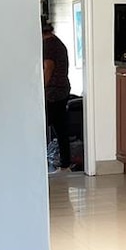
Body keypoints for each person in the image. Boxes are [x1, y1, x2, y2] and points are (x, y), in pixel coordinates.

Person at [41, 18, 72, 172]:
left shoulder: (48, 45)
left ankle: (40, 163)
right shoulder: (56, 42)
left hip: (53, 92)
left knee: (40, 127)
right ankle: (65, 163)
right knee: (61, 129)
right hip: (62, 90)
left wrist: (41, 88)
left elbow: (48, 67)